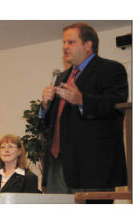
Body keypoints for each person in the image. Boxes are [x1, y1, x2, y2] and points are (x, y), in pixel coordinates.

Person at [40, 23, 128, 197]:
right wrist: (44, 106)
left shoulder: (111, 69)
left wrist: (82, 100)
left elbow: (116, 106)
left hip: (92, 166)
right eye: (64, 43)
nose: (65, 47)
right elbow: (53, 120)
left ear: (88, 45)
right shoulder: (63, 76)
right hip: (57, 163)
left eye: (71, 42)